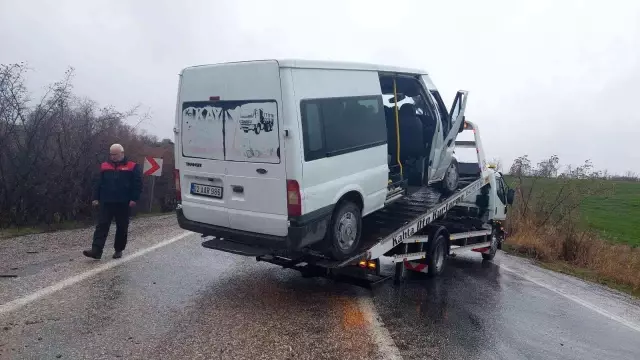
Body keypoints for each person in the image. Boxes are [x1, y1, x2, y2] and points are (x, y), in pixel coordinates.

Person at [83, 144, 142, 260]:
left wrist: (134, 198)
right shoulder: (104, 166)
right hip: (107, 201)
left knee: (122, 227)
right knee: (102, 226)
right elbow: (98, 183)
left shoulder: (132, 166)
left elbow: (137, 184)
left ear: (122, 153)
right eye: (111, 154)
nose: (113, 157)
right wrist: (95, 197)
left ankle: (118, 249)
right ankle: (96, 250)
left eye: (115, 154)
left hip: (123, 202)